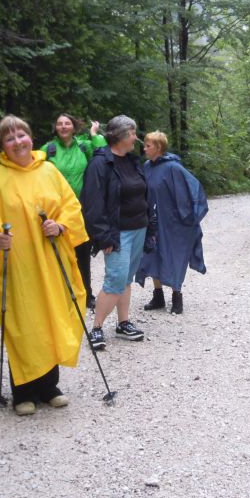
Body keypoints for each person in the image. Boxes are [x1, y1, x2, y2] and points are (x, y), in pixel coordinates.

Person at [0, 115, 88, 416]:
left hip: (49, 259)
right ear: (3, 146)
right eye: (10, 138)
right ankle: (23, 390)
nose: (18, 141)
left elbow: (71, 207)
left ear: (31, 138)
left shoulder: (49, 171)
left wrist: (59, 226)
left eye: (22, 135)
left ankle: (50, 386)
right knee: (21, 322)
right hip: (17, 264)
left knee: (50, 316)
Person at [80, 115, 152, 350]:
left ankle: (123, 323)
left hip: (138, 227)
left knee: (126, 278)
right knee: (115, 279)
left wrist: (150, 225)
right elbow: (92, 204)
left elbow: (143, 194)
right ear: (121, 135)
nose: (136, 138)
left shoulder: (132, 161)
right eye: (133, 133)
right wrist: (102, 236)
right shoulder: (100, 164)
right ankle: (97, 328)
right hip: (117, 232)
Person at [135, 131, 208, 314]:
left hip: (172, 222)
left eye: (148, 146)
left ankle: (177, 296)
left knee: (173, 256)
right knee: (151, 254)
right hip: (152, 220)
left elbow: (190, 189)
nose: (144, 148)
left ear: (158, 148)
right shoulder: (146, 166)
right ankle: (158, 296)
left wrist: (187, 216)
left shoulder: (173, 168)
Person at [42, 113, 107, 310]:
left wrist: (94, 133)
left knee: (82, 253)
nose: (63, 127)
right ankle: (60, 295)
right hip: (55, 211)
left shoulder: (84, 146)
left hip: (80, 209)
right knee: (57, 254)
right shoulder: (48, 149)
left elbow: (102, 152)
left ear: (73, 126)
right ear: (55, 127)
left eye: (67, 123)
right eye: (60, 123)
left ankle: (86, 294)